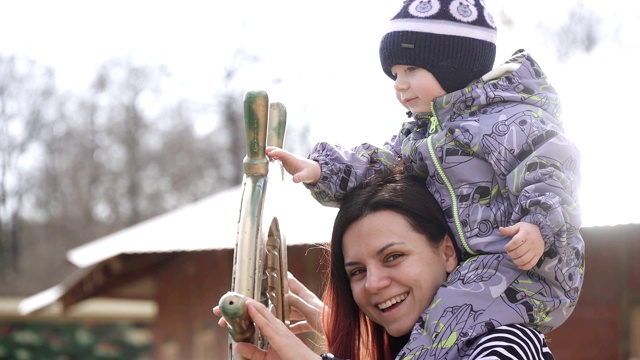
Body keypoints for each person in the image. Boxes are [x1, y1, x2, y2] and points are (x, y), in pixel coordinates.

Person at [265, 0, 584, 358]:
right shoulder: (422, 136)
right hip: (474, 270)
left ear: (453, 64)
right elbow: (379, 165)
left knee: (446, 322)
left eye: (411, 69)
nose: (400, 85)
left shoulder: (510, 119)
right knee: (442, 322)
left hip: (528, 263)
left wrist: (538, 225)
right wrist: (324, 170)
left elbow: (550, 169)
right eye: (395, 74)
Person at [215, 170, 555, 359]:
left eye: (393, 257)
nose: (374, 284)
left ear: (448, 252)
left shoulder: (506, 342)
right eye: (357, 272)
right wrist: (341, 331)